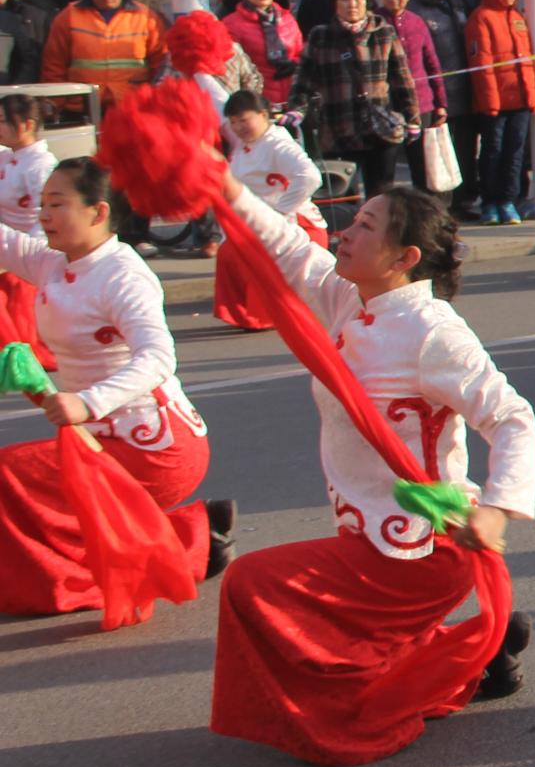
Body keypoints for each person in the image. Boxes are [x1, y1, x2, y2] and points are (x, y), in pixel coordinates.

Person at [210, 176, 535, 763]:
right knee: (358, 637)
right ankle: (474, 657)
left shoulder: (433, 332)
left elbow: (513, 417)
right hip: (373, 532)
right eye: (353, 219)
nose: (346, 232)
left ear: (404, 258)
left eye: (365, 226)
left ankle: (356, 715)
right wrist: (219, 184)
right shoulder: (345, 297)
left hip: (421, 549)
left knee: (252, 583)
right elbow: (286, 246)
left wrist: (497, 508)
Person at [0, 157, 228, 616]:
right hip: (101, 435)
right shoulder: (53, 263)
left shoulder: (124, 276)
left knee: (12, 477)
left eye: (57, 204)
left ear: (98, 212)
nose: (44, 215)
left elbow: (159, 358)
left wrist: (86, 403)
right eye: (43, 204)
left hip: (154, 445)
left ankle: (179, 548)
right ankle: (194, 535)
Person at [291, 0, 417, 196]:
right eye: (345, 0)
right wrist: (295, 111)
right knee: (342, 196)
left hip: (381, 129)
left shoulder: (384, 33)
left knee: (381, 196)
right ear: (334, 4)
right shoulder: (321, 36)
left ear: (367, 1)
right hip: (338, 127)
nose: (352, 5)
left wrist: (411, 117)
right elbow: (304, 80)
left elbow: (402, 80)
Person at [215, 89, 326, 330]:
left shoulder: (278, 144)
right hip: (264, 224)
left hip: (297, 225)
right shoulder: (246, 146)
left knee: (240, 251)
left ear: (263, 115)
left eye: (244, 120)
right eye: (233, 122)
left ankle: (264, 313)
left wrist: (281, 212)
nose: (238, 127)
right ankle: (251, 313)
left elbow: (310, 177)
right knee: (228, 251)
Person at [465, 0, 535, 225]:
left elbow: (528, 60)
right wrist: (490, 102)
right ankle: (490, 201)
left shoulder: (518, 18)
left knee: (515, 152)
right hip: (495, 104)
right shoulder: (482, 18)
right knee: (493, 151)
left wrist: (532, 95)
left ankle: (509, 200)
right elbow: (482, 64)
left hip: (520, 100)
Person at [42, 0, 166, 116]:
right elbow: (54, 64)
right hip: (83, 104)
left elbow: (160, 63)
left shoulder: (146, 16)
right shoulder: (68, 16)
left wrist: (156, 100)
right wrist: (56, 104)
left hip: (133, 103)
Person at [406, 0, 475, 203]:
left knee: (464, 149)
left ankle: (464, 200)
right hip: (434, 91)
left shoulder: (455, 1)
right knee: (434, 154)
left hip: (462, 88)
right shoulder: (416, 10)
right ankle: (438, 204)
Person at [373, 0, 447, 191]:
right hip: (385, 105)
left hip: (421, 103)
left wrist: (440, 103)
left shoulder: (417, 22)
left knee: (422, 166)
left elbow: (432, 63)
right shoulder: (374, 23)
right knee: (385, 168)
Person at [0, 93, 56, 360]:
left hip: (27, 251)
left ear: (26, 125)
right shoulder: (7, 158)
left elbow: (45, 218)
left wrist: (24, 257)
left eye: (2, 121)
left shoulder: (41, 166)